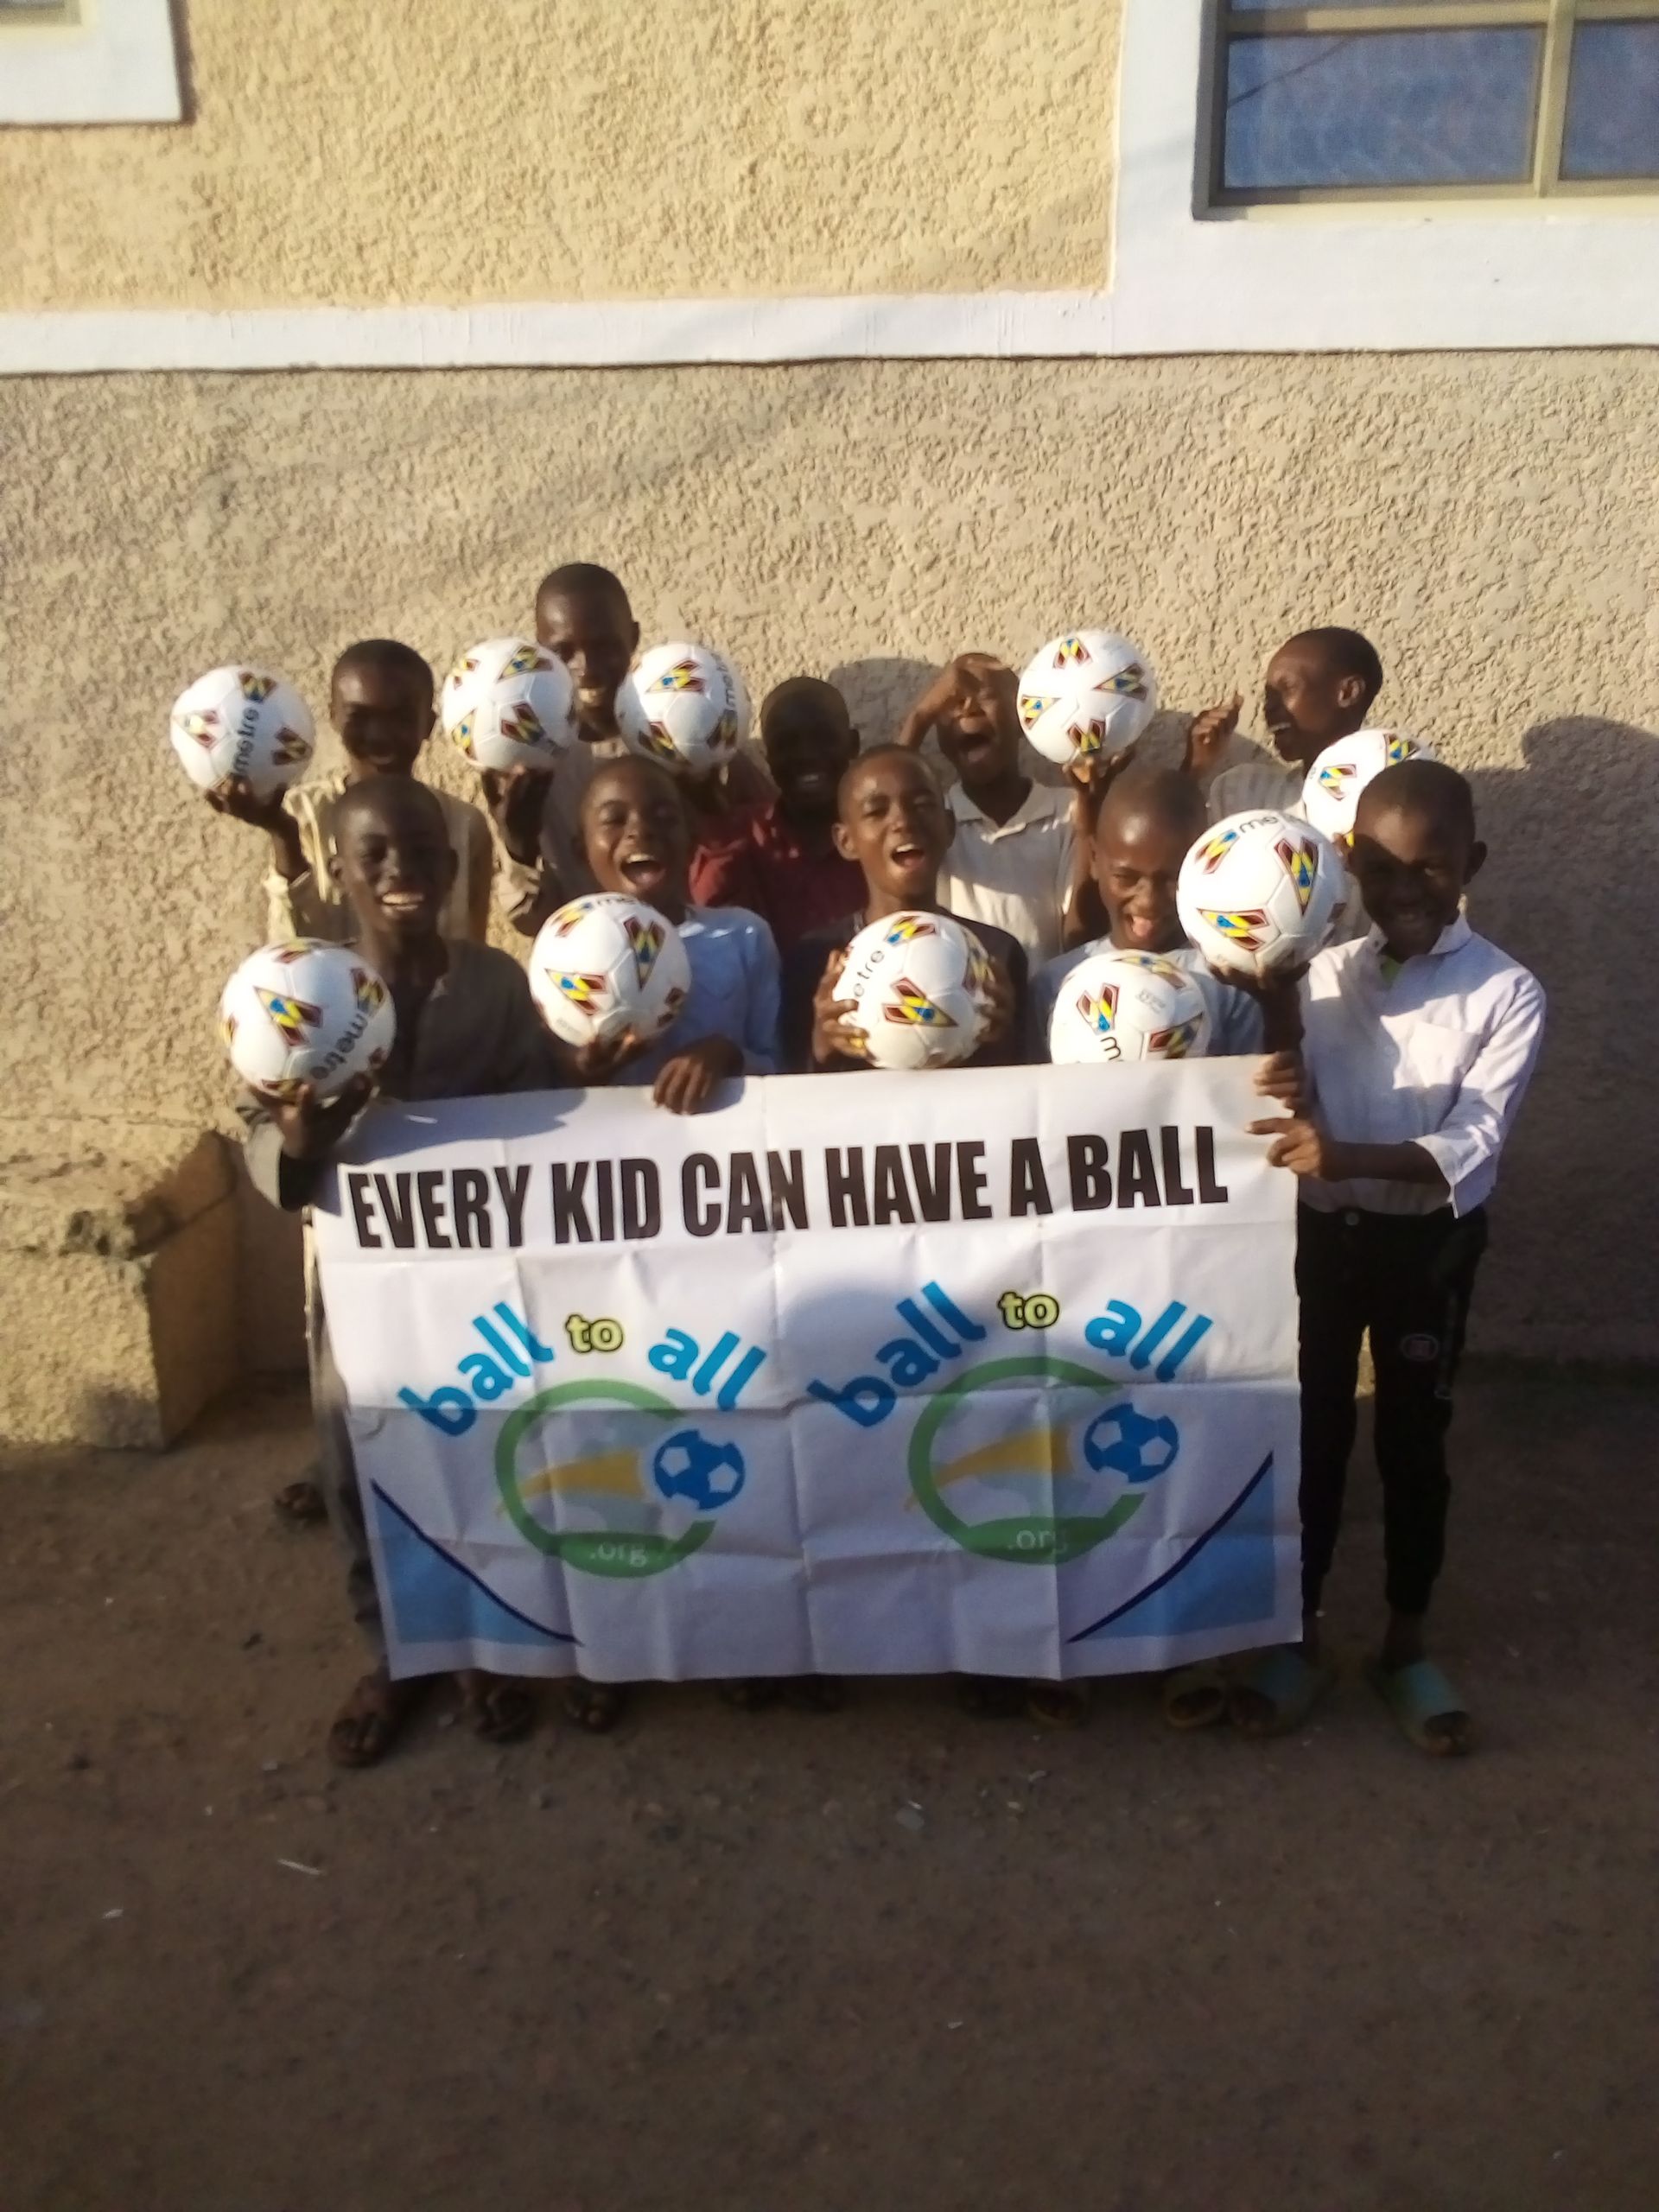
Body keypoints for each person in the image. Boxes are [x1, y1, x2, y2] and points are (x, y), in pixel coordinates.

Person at [241, 776, 556, 1770]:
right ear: (338, 870)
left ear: (452, 864)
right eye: (374, 854)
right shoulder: (299, 993)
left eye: (422, 851)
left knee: (488, 1452)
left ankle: (486, 1643)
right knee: (361, 1460)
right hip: (359, 1287)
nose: (401, 870)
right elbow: (265, 1143)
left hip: (480, 1275)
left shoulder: (496, 986)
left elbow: (541, 1111)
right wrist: (299, 1139)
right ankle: (397, 1653)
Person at [1241, 760, 1545, 1754]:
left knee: (1413, 1441)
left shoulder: (1506, 991)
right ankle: (1299, 1633)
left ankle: (1404, 1644)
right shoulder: (1325, 973)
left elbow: (1472, 1143)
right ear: (1350, 866)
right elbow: (1290, 1089)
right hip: (1326, 1239)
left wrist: (1346, 1157)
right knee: (1313, 1435)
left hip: (1428, 1249)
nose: (1405, 888)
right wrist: (1274, 1012)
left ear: (1472, 864)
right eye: (1380, 868)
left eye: (1432, 867)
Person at [1032, 768, 1305, 1731]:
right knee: (1074, 1446)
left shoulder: (1229, 986)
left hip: (1191, 1268)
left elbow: (1263, 1104)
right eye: (1125, 875)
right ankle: (1067, 1641)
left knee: (1180, 1448)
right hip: (1083, 1264)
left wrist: (1275, 1026)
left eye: (1168, 876)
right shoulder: (1057, 983)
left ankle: (1183, 1643)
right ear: (1093, 863)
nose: (1146, 899)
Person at [543, 754, 780, 1730]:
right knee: (613, 1431)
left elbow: (784, 1069)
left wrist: (728, 1054)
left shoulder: (743, 937)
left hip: (723, 1231)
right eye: (613, 818)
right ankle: (613, 1643)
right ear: (582, 845)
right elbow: (538, 1105)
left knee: (726, 1434)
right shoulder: (558, 951)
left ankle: (737, 1634)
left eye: (660, 813)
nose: (639, 829)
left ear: (693, 837)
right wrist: (578, 1069)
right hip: (607, 1239)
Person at [487, 563, 770, 930]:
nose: (587, 667)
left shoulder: (690, 733)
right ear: (541, 652)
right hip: (597, 958)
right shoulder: (531, 768)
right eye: (563, 651)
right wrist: (519, 849)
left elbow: (776, 860)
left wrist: (715, 813)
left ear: (633, 637)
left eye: (604, 647)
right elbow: (532, 921)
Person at [209, 638, 494, 947]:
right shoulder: (302, 813)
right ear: (333, 717)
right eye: (360, 717)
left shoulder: (464, 825)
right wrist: (283, 835)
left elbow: (472, 949)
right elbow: (290, 952)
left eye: (400, 717)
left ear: (428, 724)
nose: (379, 733)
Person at [781, 744, 1027, 1077]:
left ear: (949, 826)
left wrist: (1001, 1040)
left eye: (922, 805)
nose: (903, 821)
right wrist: (821, 1047)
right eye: (876, 811)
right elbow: (787, 1095)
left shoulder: (996, 954)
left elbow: (1026, 1088)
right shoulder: (812, 961)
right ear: (846, 841)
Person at [897, 654, 1077, 965]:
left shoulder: (1068, 811)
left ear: (1023, 719)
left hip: (1047, 994)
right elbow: (888, 792)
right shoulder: (934, 821)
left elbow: (1082, 933)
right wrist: (920, 716)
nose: (968, 708)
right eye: (950, 702)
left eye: (986, 695)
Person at [690, 676, 864, 953]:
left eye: (823, 738)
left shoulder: (876, 838)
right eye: (786, 743)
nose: (806, 755)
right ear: (767, 756)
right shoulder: (738, 838)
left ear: (853, 744)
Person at [1184, 627, 1385, 823]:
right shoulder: (1245, 793)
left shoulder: (1385, 799)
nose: (1269, 706)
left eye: (1288, 688)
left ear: (1348, 692)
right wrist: (1193, 768)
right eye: (1268, 695)